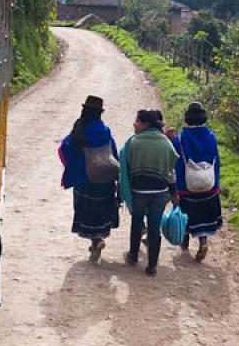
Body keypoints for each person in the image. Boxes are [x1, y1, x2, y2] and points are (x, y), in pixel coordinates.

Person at [59, 96, 120, 262]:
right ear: (100, 113)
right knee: (100, 212)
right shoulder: (105, 131)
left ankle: (96, 241)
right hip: (105, 178)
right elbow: (113, 153)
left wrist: (73, 168)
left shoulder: (79, 130)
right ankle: (97, 240)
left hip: (85, 180)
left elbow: (64, 149)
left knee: (87, 212)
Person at [122, 110, 179, 276]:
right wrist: (174, 193)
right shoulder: (166, 143)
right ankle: (152, 266)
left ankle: (133, 256)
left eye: (137, 121)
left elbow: (127, 171)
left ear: (145, 124)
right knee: (154, 228)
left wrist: (123, 193)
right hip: (160, 193)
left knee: (137, 221)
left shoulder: (133, 143)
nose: (134, 124)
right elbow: (171, 173)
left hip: (139, 191)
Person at [172, 102, 222, 262]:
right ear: (203, 118)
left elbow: (176, 164)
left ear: (187, 119)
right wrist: (216, 185)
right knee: (203, 217)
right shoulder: (211, 137)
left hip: (187, 186)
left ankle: (184, 241)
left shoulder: (180, 139)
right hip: (208, 185)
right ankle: (203, 241)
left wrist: (177, 188)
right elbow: (216, 162)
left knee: (186, 214)